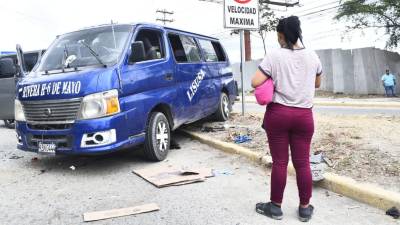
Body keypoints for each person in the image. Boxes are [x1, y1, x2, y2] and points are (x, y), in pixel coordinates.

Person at [251, 16, 322, 222]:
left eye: (278, 35)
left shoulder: (274, 55)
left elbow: (256, 81)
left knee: (280, 162)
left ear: (281, 35)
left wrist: (274, 78)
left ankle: (275, 207)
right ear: (298, 33)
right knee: (302, 163)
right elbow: (317, 83)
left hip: (279, 115)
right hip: (304, 116)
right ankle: (305, 208)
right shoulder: (313, 55)